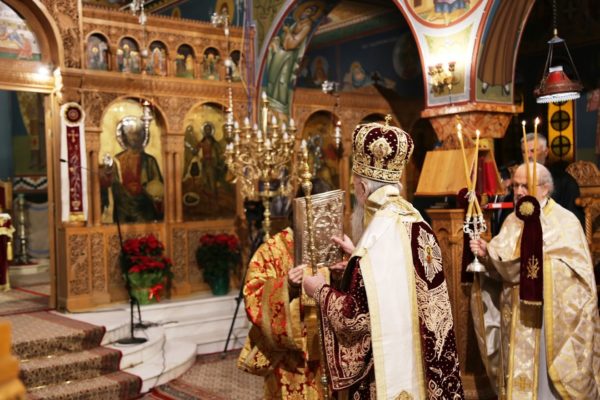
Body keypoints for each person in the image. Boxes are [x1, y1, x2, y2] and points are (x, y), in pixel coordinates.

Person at [302, 118, 464, 399]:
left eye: (355, 187)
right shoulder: (417, 223)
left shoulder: (375, 241)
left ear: (363, 189)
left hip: (384, 376)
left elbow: (355, 318)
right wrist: (355, 259)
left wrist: (319, 290)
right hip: (424, 365)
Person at [469, 162, 600, 398]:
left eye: (525, 186)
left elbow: (581, 276)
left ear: (545, 188)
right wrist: (486, 255)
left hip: (550, 318)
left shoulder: (566, 221)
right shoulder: (512, 221)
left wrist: (542, 267)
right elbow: (502, 268)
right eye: (515, 185)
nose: (518, 192)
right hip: (517, 315)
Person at [237, 179, 341, 399]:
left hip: (329, 353)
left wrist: (341, 275)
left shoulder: (334, 246)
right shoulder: (272, 250)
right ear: (300, 211)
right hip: (290, 363)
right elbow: (253, 296)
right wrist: (288, 287)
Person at [100, 116, 164, 223]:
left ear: (142, 136)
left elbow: (158, 186)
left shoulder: (149, 160)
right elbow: (110, 183)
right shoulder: (117, 160)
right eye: (130, 134)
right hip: (123, 206)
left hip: (144, 207)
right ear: (124, 137)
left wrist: (150, 191)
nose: (134, 138)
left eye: (137, 134)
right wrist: (106, 170)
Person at [522, 132, 584, 226]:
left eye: (533, 151)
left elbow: (574, 220)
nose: (528, 156)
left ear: (546, 152)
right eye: (524, 152)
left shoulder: (564, 181)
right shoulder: (519, 182)